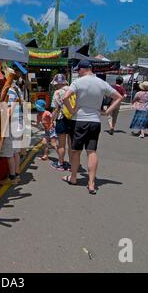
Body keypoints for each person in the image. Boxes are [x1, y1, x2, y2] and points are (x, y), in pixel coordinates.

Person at [62, 60, 123, 195]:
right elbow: (119, 97)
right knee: (92, 151)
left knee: (76, 151)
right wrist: (107, 112)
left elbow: (65, 98)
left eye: (78, 70)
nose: (78, 72)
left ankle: (73, 178)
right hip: (95, 121)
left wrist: (72, 110)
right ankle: (91, 183)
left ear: (83, 69)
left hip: (80, 120)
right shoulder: (102, 83)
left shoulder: (78, 82)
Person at [0, 68, 24, 183]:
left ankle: (12, 177)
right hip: (18, 122)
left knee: (9, 152)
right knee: (15, 152)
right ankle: (16, 175)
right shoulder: (17, 88)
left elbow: (10, 108)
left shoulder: (9, 90)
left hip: (11, 123)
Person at [50, 74, 74, 171]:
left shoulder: (57, 92)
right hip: (73, 118)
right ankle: (72, 165)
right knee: (71, 144)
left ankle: (60, 164)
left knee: (62, 144)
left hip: (62, 118)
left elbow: (56, 109)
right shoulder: (73, 90)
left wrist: (51, 120)